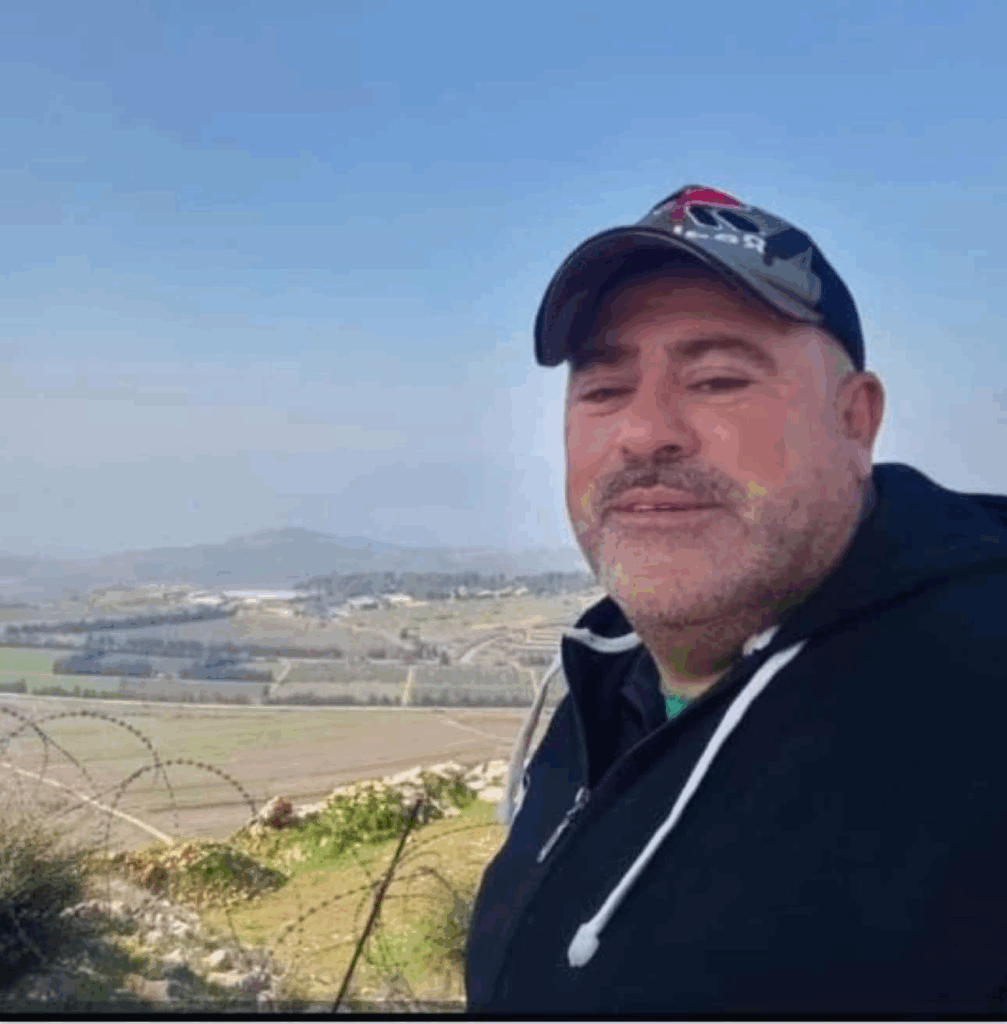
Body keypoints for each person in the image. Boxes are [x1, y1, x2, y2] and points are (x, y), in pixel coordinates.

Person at [464, 185, 1007, 1015]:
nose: (643, 431)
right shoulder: (607, 677)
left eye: (717, 379)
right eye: (602, 390)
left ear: (854, 422)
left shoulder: (978, 698)